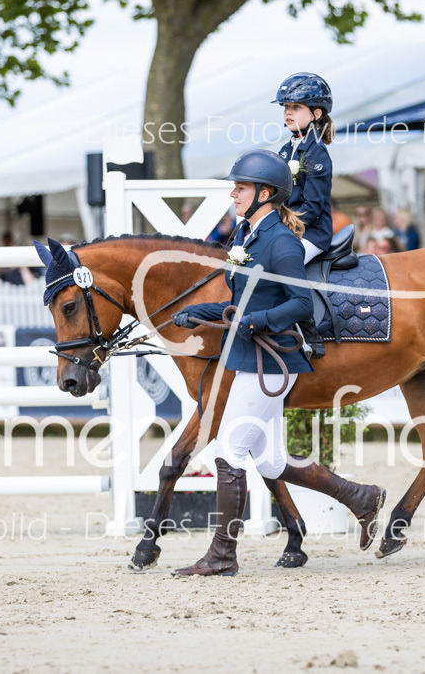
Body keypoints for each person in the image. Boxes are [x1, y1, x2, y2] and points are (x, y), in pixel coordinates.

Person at [170, 149, 384, 577]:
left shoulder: (281, 242)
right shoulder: (245, 238)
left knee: (229, 453)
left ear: (265, 193)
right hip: (250, 356)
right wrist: (200, 314)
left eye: (241, 187)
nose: (233, 194)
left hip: (272, 361)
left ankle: (221, 556)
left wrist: (257, 322)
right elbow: (238, 303)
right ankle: (361, 497)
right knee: (269, 460)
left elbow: (301, 304)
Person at [274, 72, 335, 359]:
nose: (288, 112)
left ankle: (311, 335)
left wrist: (280, 228)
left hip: (311, 233)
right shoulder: (287, 148)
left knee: (285, 263)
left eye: (295, 107)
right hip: (287, 228)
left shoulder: (317, 152)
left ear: (316, 113)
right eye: (286, 107)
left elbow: (311, 207)